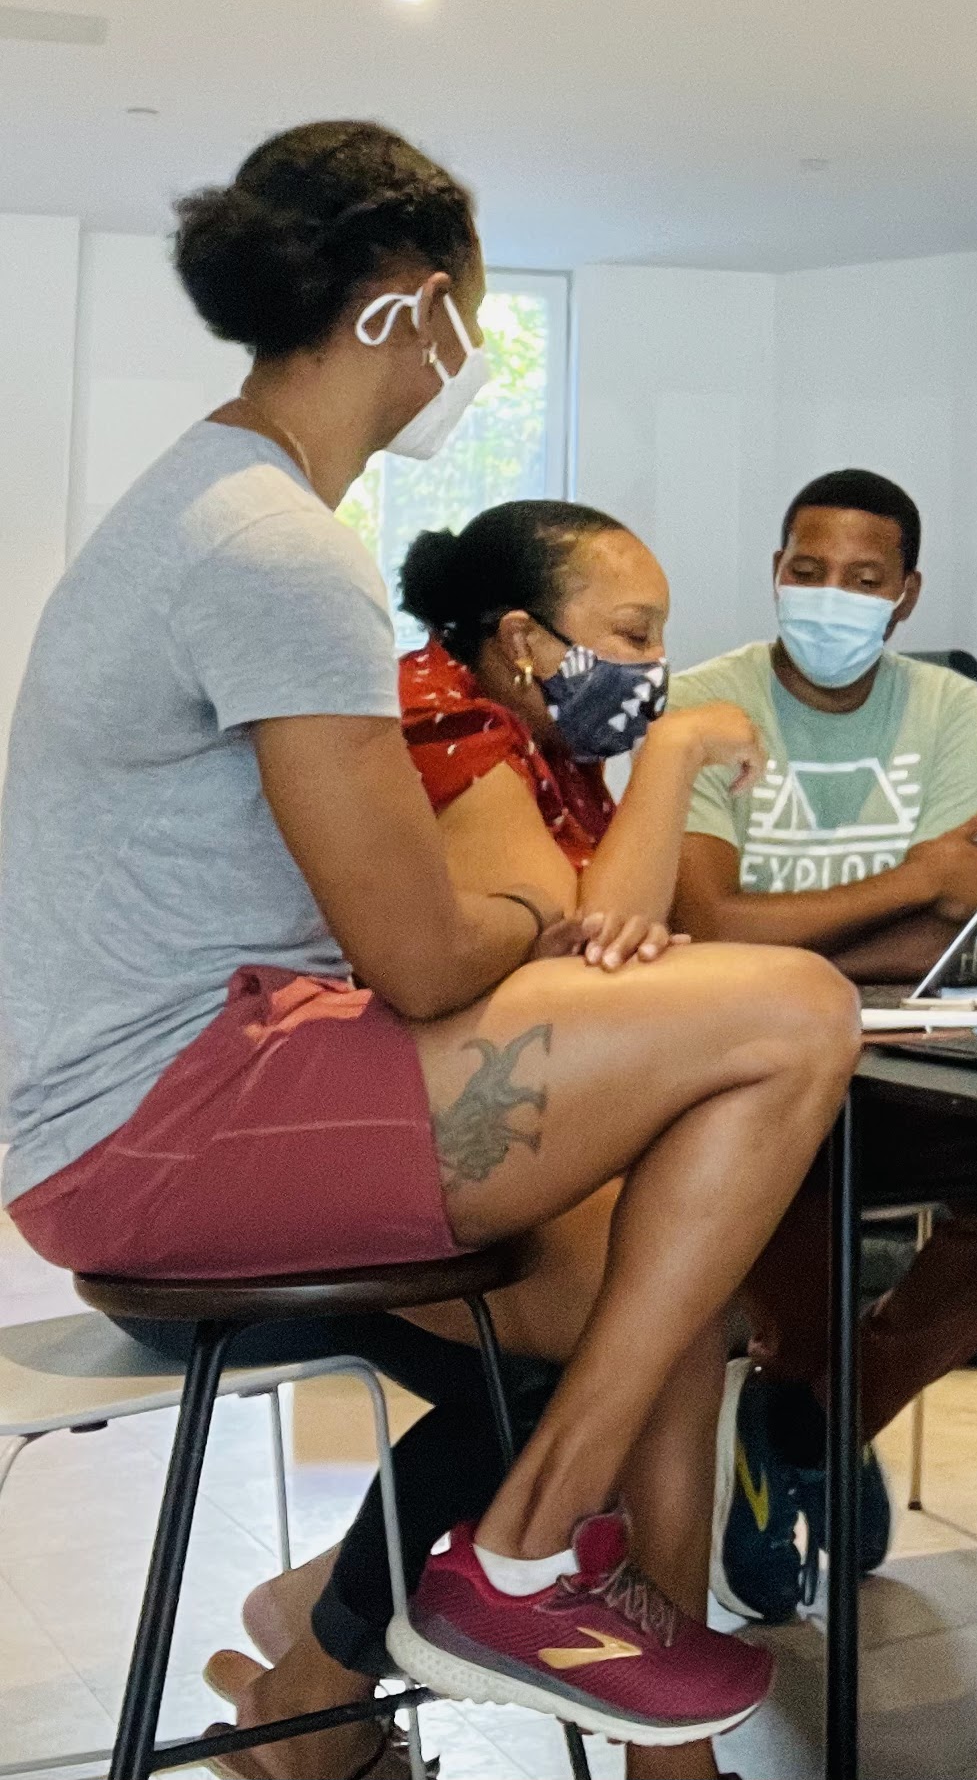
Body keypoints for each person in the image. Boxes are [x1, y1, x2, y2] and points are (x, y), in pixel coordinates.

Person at [0, 122, 859, 1776]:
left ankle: (333, 1713)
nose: (470, 351)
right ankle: (525, 1558)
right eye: (465, 310)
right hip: (159, 1125)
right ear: (404, 306)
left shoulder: (221, 511)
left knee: (657, 1291)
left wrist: (514, 931)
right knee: (790, 1014)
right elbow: (421, 955)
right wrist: (536, 917)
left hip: (186, 1089)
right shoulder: (273, 544)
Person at [208, 498, 771, 1780]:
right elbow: (590, 958)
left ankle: (318, 1663)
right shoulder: (444, 718)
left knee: (665, 1302)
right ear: (523, 639)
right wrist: (676, 754)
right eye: (633, 633)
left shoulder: (538, 747)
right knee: (661, 1311)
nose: (655, 665)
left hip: (424, 1133)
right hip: (325, 1149)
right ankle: (641, 1750)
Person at [670, 470, 977, 1623]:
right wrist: (908, 886)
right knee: (791, 1259)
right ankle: (809, 1400)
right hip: (761, 1070)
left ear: (907, 594)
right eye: (807, 571)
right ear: (775, 571)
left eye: (862, 578)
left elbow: (953, 935)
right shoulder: (705, 704)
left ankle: (808, 1423)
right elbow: (709, 923)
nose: (830, 597)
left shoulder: (949, 708)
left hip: (920, 1062)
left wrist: (796, 924)